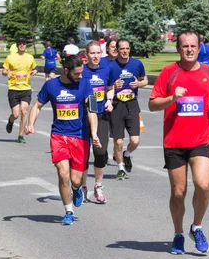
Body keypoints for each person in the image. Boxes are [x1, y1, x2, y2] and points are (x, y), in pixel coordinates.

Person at [148, 31, 209, 255]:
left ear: (199, 48)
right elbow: (152, 105)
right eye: (185, 46)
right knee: (178, 192)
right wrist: (172, 98)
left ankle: (196, 227)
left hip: (201, 140)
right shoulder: (169, 73)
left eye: (193, 46)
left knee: (203, 184)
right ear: (179, 48)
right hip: (174, 142)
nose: (189, 49)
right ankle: (178, 234)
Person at [24, 55, 101, 225]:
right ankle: (68, 211)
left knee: (75, 179)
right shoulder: (51, 85)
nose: (80, 76)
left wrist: (94, 133)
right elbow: (37, 106)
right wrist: (30, 124)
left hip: (80, 137)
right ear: (66, 71)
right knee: (63, 173)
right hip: (58, 135)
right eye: (77, 73)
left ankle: (76, 189)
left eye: (82, 73)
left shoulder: (86, 84)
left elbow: (92, 109)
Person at [107, 39, 148, 180]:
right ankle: (120, 168)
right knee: (118, 141)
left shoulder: (137, 64)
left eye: (127, 48)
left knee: (135, 140)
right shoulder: (111, 66)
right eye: (122, 49)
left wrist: (138, 83)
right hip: (117, 105)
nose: (125, 51)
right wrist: (113, 87)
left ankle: (127, 154)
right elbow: (105, 86)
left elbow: (145, 80)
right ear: (117, 50)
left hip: (132, 104)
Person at [81, 41, 112, 203]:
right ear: (86, 55)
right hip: (83, 118)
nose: (95, 56)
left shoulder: (107, 69)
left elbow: (111, 87)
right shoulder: (81, 71)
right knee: (84, 154)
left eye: (98, 53)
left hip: (101, 116)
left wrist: (109, 100)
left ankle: (98, 186)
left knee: (101, 153)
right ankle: (83, 186)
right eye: (92, 53)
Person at [2, 37, 37, 144]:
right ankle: (11, 121)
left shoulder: (30, 57)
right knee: (16, 114)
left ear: (26, 45)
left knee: (24, 111)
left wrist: (34, 71)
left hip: (26, 88)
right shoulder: (10, 58)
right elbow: (4, 70)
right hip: (13, 89)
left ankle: (20, 135)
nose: (22, 45)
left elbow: (34, 68)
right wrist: (7, 73)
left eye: (24, 43)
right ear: (17, 45)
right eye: (20, 43)